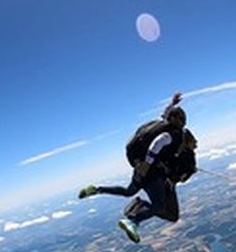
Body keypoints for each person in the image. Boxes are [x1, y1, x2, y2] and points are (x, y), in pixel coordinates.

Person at [77, 92, 194, 242]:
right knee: (158, 206)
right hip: (150, 171)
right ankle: (133, 221)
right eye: (182, 120)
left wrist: (172, 103)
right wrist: (148, 163)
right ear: (179, 121)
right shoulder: (173, 134)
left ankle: (97, 189)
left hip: (139, 167)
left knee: (128, 191)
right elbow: (158, 143)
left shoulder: (161, 124)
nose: (183, 123)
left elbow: (165, 114)